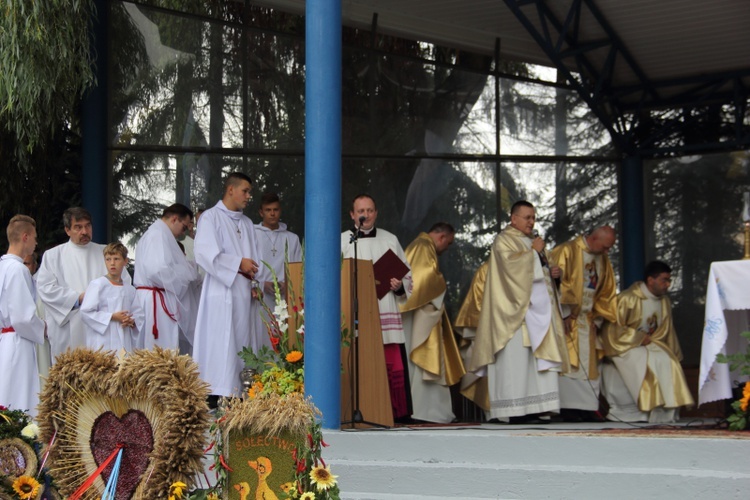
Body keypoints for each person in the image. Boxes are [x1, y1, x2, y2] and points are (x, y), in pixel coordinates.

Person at [465, 201, 569, 424]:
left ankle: (537, 408)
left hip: (537, 315)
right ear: (514, 219)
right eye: (527, 217)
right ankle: (512, 411)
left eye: (533, 217)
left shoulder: (532, 243)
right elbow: (510, 270)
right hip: (512, 316)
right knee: (516, 364)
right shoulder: (504, 240)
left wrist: (553, 274)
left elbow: (540, 274)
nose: (532, 222)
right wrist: (534, 254)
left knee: (534, 364)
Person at [193, 172, 268, 400]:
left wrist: (256, 281)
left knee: (244, 340)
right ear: (231, 190)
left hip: (245, 292)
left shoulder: (247, 223)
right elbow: (204, 254)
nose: (248, 197)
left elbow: (256, 258)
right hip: (221, 290)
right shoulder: (210, 218)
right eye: (245, 191)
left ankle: (242, 390)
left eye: (250, 192)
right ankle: (218, 392)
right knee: (221, 339)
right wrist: (238, 263)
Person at [341, 194, 413, 421]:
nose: (365, 215)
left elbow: (407, 274)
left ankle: (395, 413)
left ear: (376, 213)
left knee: (391, 363)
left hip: (385, 308)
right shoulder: (343, 241)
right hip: (356, 311)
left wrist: (399, 286)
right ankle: (359, 408)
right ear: (353, 215)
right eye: (361, 211)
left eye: (370, 210)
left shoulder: (390, 239)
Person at [600, 261, 694, 422]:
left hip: (650, 344)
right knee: (650, 359)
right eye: (664, 280)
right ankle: (646, 408)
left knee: (668, 359)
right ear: (651, 280)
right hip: (622, 346)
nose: (668, 285)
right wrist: (637, 338)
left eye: (669, 281)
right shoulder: (627, 298)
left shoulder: (664, 302)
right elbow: (612, 329)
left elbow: (667, 331)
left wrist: (674, 353)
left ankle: (665, 411)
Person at [37, 207, 131, 361]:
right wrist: (78, 298)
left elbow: (125, 283)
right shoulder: (54, 256)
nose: (84, 231)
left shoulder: (106, 253)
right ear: (67, 230)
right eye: (78, 227)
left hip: (104, 328)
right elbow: (46, 289)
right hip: (69, 327)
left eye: (88, 226)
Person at [550, 226, 617, 422]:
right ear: (594, 238)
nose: (607, 252)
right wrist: (565, 314)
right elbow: (553, 283)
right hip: (567, 318)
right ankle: (568, 408)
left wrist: (597, 318)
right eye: (605, 247)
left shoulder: (602, 259)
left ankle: (587, 407)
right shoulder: (567, 250)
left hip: (588, 320)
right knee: (568, 364)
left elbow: (606, 291)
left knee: (589, 365)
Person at [401, 223, 464, 423]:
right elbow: (425, 277)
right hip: (422, 314)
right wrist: (441, 284)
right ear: (442, 237)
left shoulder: (420, 245)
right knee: (424, 364)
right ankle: (426, 412)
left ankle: (428, 411)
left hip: (422, 311)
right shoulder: (423, 246)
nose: (447, 248)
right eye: (449, 243)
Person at [134, 203, 200, 351]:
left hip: (157, 297)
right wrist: (185, 274)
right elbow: (156, 270)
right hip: (155, 301)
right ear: (174, 219)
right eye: (184, 227)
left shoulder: (160, 234)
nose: (183, 233)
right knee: (159, 349)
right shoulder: (157, 235)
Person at [0, 215, 45, 416]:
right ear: (25, 237)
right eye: (35, 237)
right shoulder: (19, 269)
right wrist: (43, 328)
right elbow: (22, 317)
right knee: (19, 398)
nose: (36, 242)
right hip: (18, 342)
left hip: (5, 339)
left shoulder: (2, 266)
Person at [80, 242, 144, 352]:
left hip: (124, 339)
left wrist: (131, 321)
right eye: (108, 259)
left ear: (125, 261)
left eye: (116, 259)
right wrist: (112, 317)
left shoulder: (130, 290)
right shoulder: (98, 285)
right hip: (103, 341)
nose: (112, 263)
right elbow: (86, 312)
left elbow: (138, 314)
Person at [255, 192, 302, 314]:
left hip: (285, 298)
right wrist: (261, 284)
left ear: (280, 211)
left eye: (275, 210)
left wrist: (286, 284)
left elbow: (299, 270)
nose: (272, 213)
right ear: (261, 212)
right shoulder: (252, 235)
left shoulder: (292, 238)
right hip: (260, 297)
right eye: (268, 210)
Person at [453, 259, 489, 411]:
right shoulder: (487, 269)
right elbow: (477, 303)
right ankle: (498, 412)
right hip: (492, 330)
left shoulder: (531, 265)